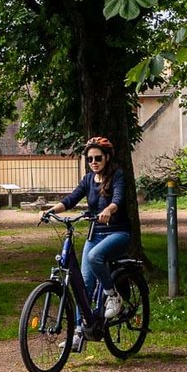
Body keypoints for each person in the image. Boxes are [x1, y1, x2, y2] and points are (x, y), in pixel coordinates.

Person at [44, 136, 130, 324]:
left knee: (94, 257)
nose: (93, 162)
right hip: (95, 234)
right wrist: (50, 211)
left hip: (117, 233)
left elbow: (118, 199)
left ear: (107, 157)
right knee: (83, 285)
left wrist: (108, 210)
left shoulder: (117, 175)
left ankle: (113, 296)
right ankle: (78, 332)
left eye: (97, 158)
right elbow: (71, 200)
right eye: (90, 159)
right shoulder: (89, 179)